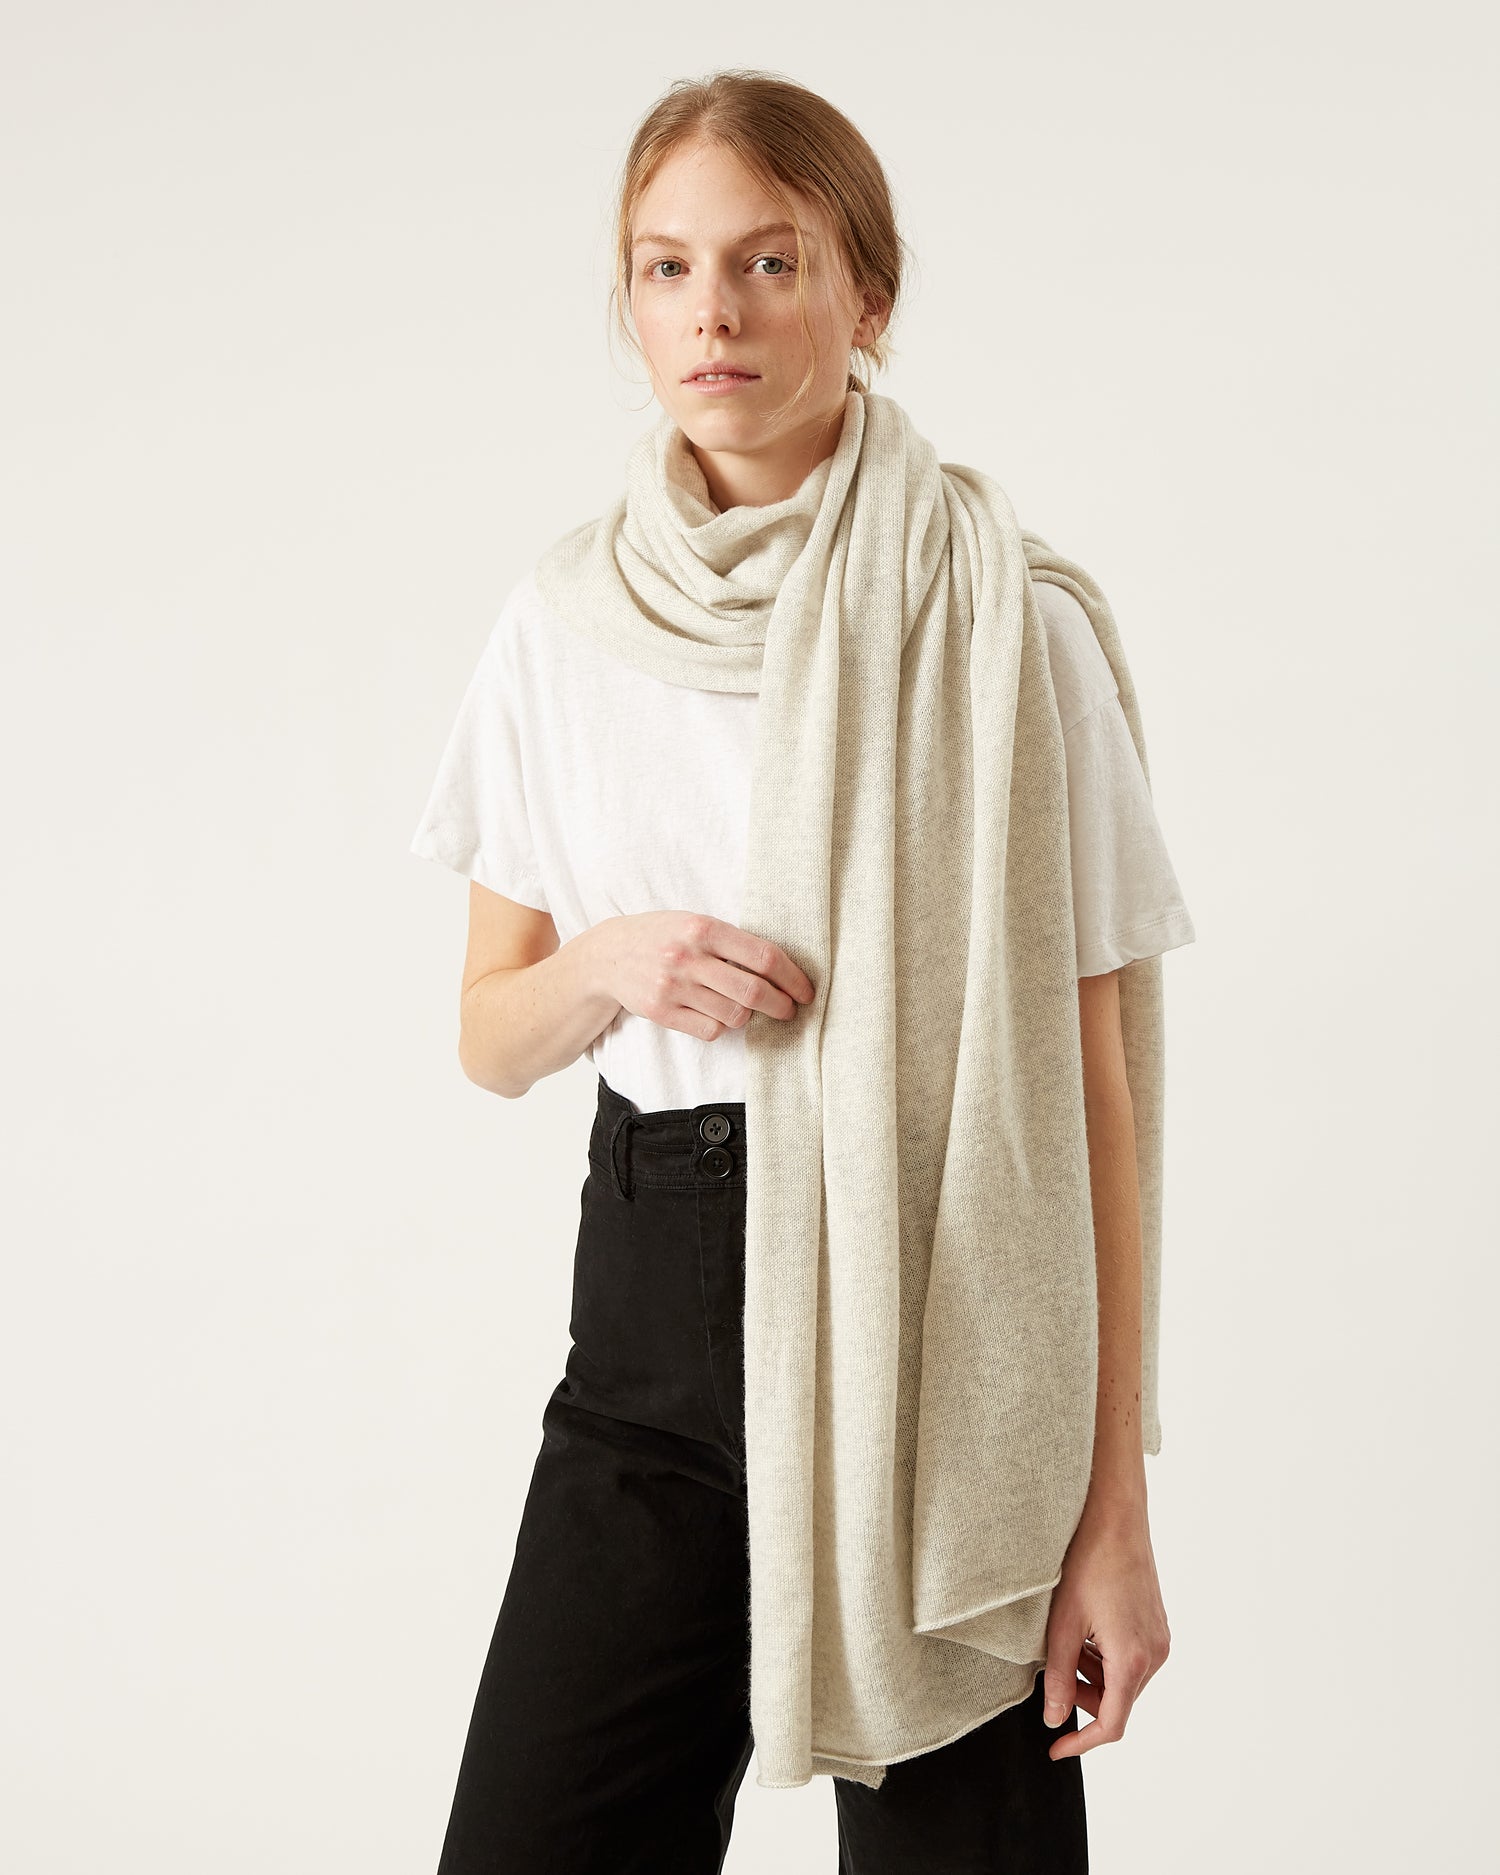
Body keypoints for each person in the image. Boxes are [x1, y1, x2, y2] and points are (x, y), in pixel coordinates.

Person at [410, 67, 1195, 1875]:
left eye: (770, 261)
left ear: (868, 296)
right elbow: (489, 1035)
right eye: (668, 267)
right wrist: (610, 962)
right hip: (653, 1322)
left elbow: (1091, 1092)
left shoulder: (1009, 623)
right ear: (630, 304)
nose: (717, 312)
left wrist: (1112, 1514)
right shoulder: (563, 627)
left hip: (948, 1318)